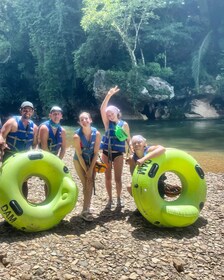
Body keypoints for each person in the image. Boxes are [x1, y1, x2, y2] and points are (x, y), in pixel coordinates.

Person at [100, 86, 131, 209]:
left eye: (111, 113)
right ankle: (110, 199)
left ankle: (119, 198)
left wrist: (130, 153)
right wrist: (109, 95)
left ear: (117, 113)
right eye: (108, 114)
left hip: (118, 154)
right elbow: (102, 108)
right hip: (106, 152)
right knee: (107, 177)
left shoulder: (124, 125)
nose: (109, 115)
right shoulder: (107, 124)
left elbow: (128, 139)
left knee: (118, 178)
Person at [1, 101, 38, 196]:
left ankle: (23, 202)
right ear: (21, 111)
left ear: (32, 112)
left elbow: (34, 145)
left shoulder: (34, 128)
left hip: (24, 158)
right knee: (7, 179)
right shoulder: (12, 122)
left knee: (24, 181)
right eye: (25, 110)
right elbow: (1, 135)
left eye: (30, 110)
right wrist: (2, 143)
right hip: (10, 155)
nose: (27, 112)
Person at [73, 112, 101, 222]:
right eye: (82, 119)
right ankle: (85, 210)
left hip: (91, 159)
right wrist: (86, 170)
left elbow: (95, 153)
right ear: (79, 123)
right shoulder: (76, 136)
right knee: (85, 182)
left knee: (90, 181)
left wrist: (90, 169)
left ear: (90, 120)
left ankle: (86, 207)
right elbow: (79, 154)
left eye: (86, 118)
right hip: (79, 161)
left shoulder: (97, 134)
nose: (84, 121)